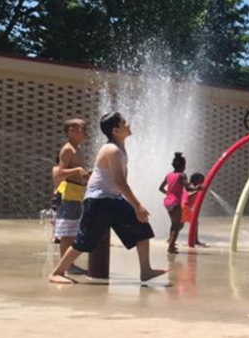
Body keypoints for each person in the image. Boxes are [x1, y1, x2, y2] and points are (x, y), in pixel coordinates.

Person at [48, 112, 166, 284]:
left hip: (111, 199)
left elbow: (118, 182)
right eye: (124, 122)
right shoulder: (112, 150)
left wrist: (135, 206)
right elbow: (120, 181)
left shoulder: (119, 148)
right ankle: (57, 272)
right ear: (116, 130)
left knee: (142, 227)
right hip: (99, 201)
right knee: (85, 239)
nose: (128, 124)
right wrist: (137, 205)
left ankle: (146, 270)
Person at [54, 119, 91, 273]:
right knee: (68, 232)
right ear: (71, 131)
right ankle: (67, 265)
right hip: (69, 192)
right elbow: (59, 172)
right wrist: (77, 170)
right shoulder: (68, 149)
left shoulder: (77, 149)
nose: (86, 130)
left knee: (73, 230)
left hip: (76, 193)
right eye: (82, 128)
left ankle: (70, 264)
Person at [160, 152, 190, 254]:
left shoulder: (169, 175)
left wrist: (168, 194)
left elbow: (160, 188)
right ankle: (171, 246)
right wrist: (198, 188)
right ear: (183, 166)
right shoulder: (182, 175)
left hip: (168, 203)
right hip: (176, 202)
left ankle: (171, 241)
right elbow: (188, 188)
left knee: (175, 224)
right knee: (178, 225)